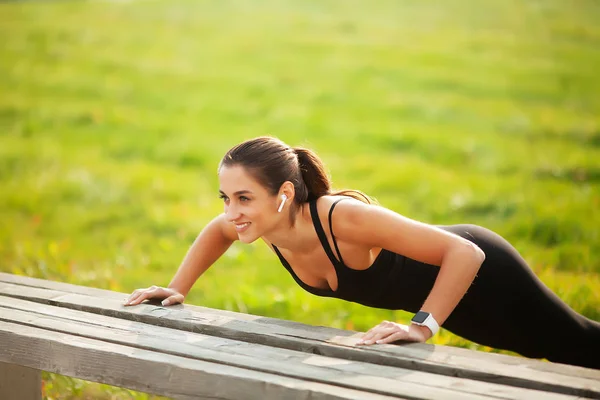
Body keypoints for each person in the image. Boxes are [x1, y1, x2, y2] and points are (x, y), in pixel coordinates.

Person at [124, 136, 600, 370]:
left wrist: (421, 325)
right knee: (539, 356)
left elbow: (465, 252)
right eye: (225, 198)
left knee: (576, 346)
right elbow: (217, 232)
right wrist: (177, 287)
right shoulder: (257, 222)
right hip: (443, 298)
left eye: (243, 198)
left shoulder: (340, 218)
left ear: (285, 194)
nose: (232, 212)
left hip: (477, 270)